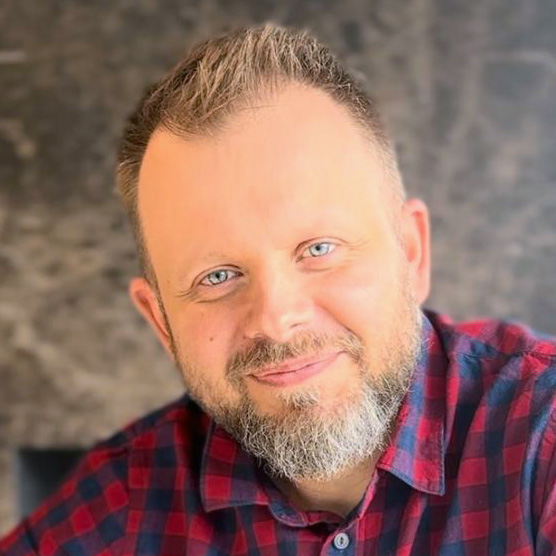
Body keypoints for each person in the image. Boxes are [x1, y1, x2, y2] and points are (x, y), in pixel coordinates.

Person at [1, 23, 555, 556]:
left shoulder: (542, 438)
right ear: (160, 321)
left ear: (411, 253)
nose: (276, 318)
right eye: (217, 276)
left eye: (319, 248)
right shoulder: (124, 503)